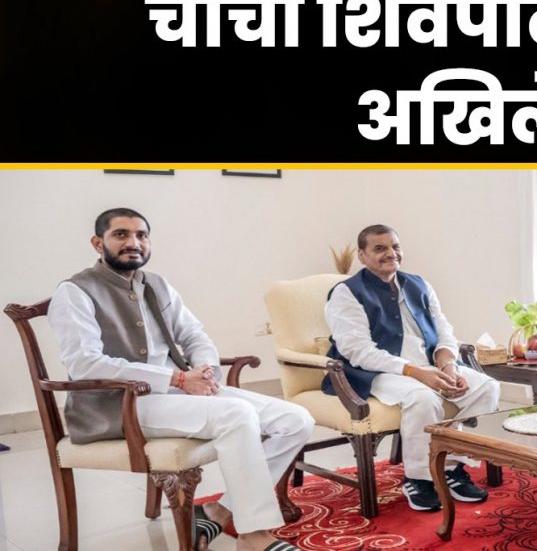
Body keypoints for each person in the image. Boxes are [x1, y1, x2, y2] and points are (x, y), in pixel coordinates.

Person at [49, 208, 314, 551]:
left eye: (141, 235)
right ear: (98, 243)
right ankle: (254, 535)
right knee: (237, 415)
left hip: (178, 394)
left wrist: (205, 371)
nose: (133, 242)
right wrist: (176, 378)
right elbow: (85, 363)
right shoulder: (75, 291)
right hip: (119, 405)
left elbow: (193, 335)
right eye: (121, 234)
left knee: (296, 420)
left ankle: (218, 511)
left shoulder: (158, 285)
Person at [323, 224, 500, 512]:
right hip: (375, 372)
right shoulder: (346, 292)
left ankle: (450, 465)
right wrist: (415, 372)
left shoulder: (419, 284)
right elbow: (357, 351)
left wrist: (448, 365)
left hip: (429, 365)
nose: (390, 253)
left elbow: (444, 332)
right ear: (362, 256)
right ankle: (418, 478)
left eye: (395, 246)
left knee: (487, 388)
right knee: (423, 398)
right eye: (379, 248)